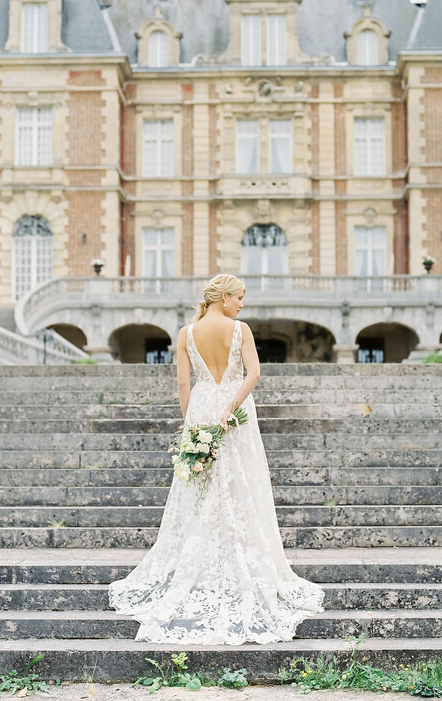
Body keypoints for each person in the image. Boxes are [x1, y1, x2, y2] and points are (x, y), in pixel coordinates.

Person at [109, 274, 324, 644]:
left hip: (201, 407)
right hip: (233, 410)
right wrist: (231, 408)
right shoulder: (240, 330)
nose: (242, 304)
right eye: (240, 297)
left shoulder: (185, 333)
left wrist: (191, 425)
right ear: (223, 297)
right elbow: (254, 373)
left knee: (201, 484)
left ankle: (203, 562)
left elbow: (182, 384)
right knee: (242, 483)